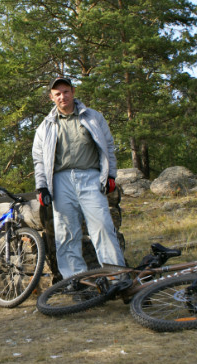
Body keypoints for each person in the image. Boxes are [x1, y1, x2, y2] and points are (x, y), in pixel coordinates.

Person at [32, 77, 126, 279]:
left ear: (73, 92)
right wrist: (42, 187)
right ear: (51, 97)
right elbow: (38, 159)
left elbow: (108, 146)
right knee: (66, 233)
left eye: (66, 92)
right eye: (57, 94)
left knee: (102, 227)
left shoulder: (93, 117)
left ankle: (116, 277)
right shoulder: (45, 126)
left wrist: (110, 175)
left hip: (90, 176)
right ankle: (76, 281)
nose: (62, 96)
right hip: (60, 180)